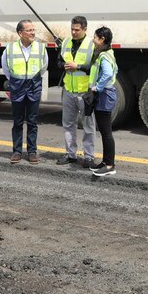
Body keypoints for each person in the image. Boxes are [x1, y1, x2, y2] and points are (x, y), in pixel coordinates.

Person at [1, 19, 48, 165]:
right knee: (18, 121)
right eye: (29, 30)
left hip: (33, 86)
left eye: (33, 30)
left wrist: (31, 79)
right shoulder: (9, 49)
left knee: (32, 121)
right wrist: (18, 80)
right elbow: (6, 68)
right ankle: (17, 151)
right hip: (18, 87)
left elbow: (43, 67)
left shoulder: (40, 48)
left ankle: (32, 152)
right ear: (20, 33)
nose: (33, 32)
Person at [56, 15, 96, 168]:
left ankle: (89, 157)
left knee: (88, 126)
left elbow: (94, 68)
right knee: (68, 124)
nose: (73, 32)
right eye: (72, 29)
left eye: (77, 30)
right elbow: (58, 61)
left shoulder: (92, 45)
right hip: (68, 91)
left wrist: (77, 67)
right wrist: (63, 65)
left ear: (85, 29)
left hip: (85, 93)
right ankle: (70, 154)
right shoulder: (66, 42)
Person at [88, 26, 118, 177]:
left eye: (95, 37)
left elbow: (107, 73)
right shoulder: (109, 53)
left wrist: (97, 87)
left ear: (102, 39)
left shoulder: (104, 56)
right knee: (105, 131)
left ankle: (109, 165)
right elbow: (115, 70)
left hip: (104, 95)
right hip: (107, 93)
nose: (93, 40)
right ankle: (106, 161)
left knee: (106, 132)